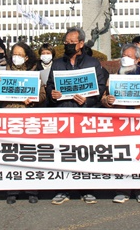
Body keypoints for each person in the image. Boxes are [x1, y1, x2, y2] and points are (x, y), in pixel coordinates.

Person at [46, 27, 107, 205]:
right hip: (63, 112)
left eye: (73, 43)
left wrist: (87, 100)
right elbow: (50, 85)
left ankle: (86, 189)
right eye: (66, 43)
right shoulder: (57, 63)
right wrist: (52, 94)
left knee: (84, 152)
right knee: (63, 152)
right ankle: (62, 189)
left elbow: (100, 86)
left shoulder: (93, 63)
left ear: (81, 43)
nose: (69, 45)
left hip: (84, 113)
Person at [102, 43, 140, 203]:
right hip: (120, 122)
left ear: (137, 59)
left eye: (129, 56)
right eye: (124, 55)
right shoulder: (113, 78)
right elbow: (104, 99)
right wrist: (108, 100)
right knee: (122, 155)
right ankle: (122, 189)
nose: (125, 59)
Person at [0, 42, 45, 204]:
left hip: (28, 118)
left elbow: (43, 94)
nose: (16, 57)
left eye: (20, 55)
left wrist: (35, 100)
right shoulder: (4, 73)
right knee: (11, 154)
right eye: (14, 54)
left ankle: (32, 190)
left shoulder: (34, 73)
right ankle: (12, 191)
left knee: (29, 154)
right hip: (9, 117)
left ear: (27, 57)